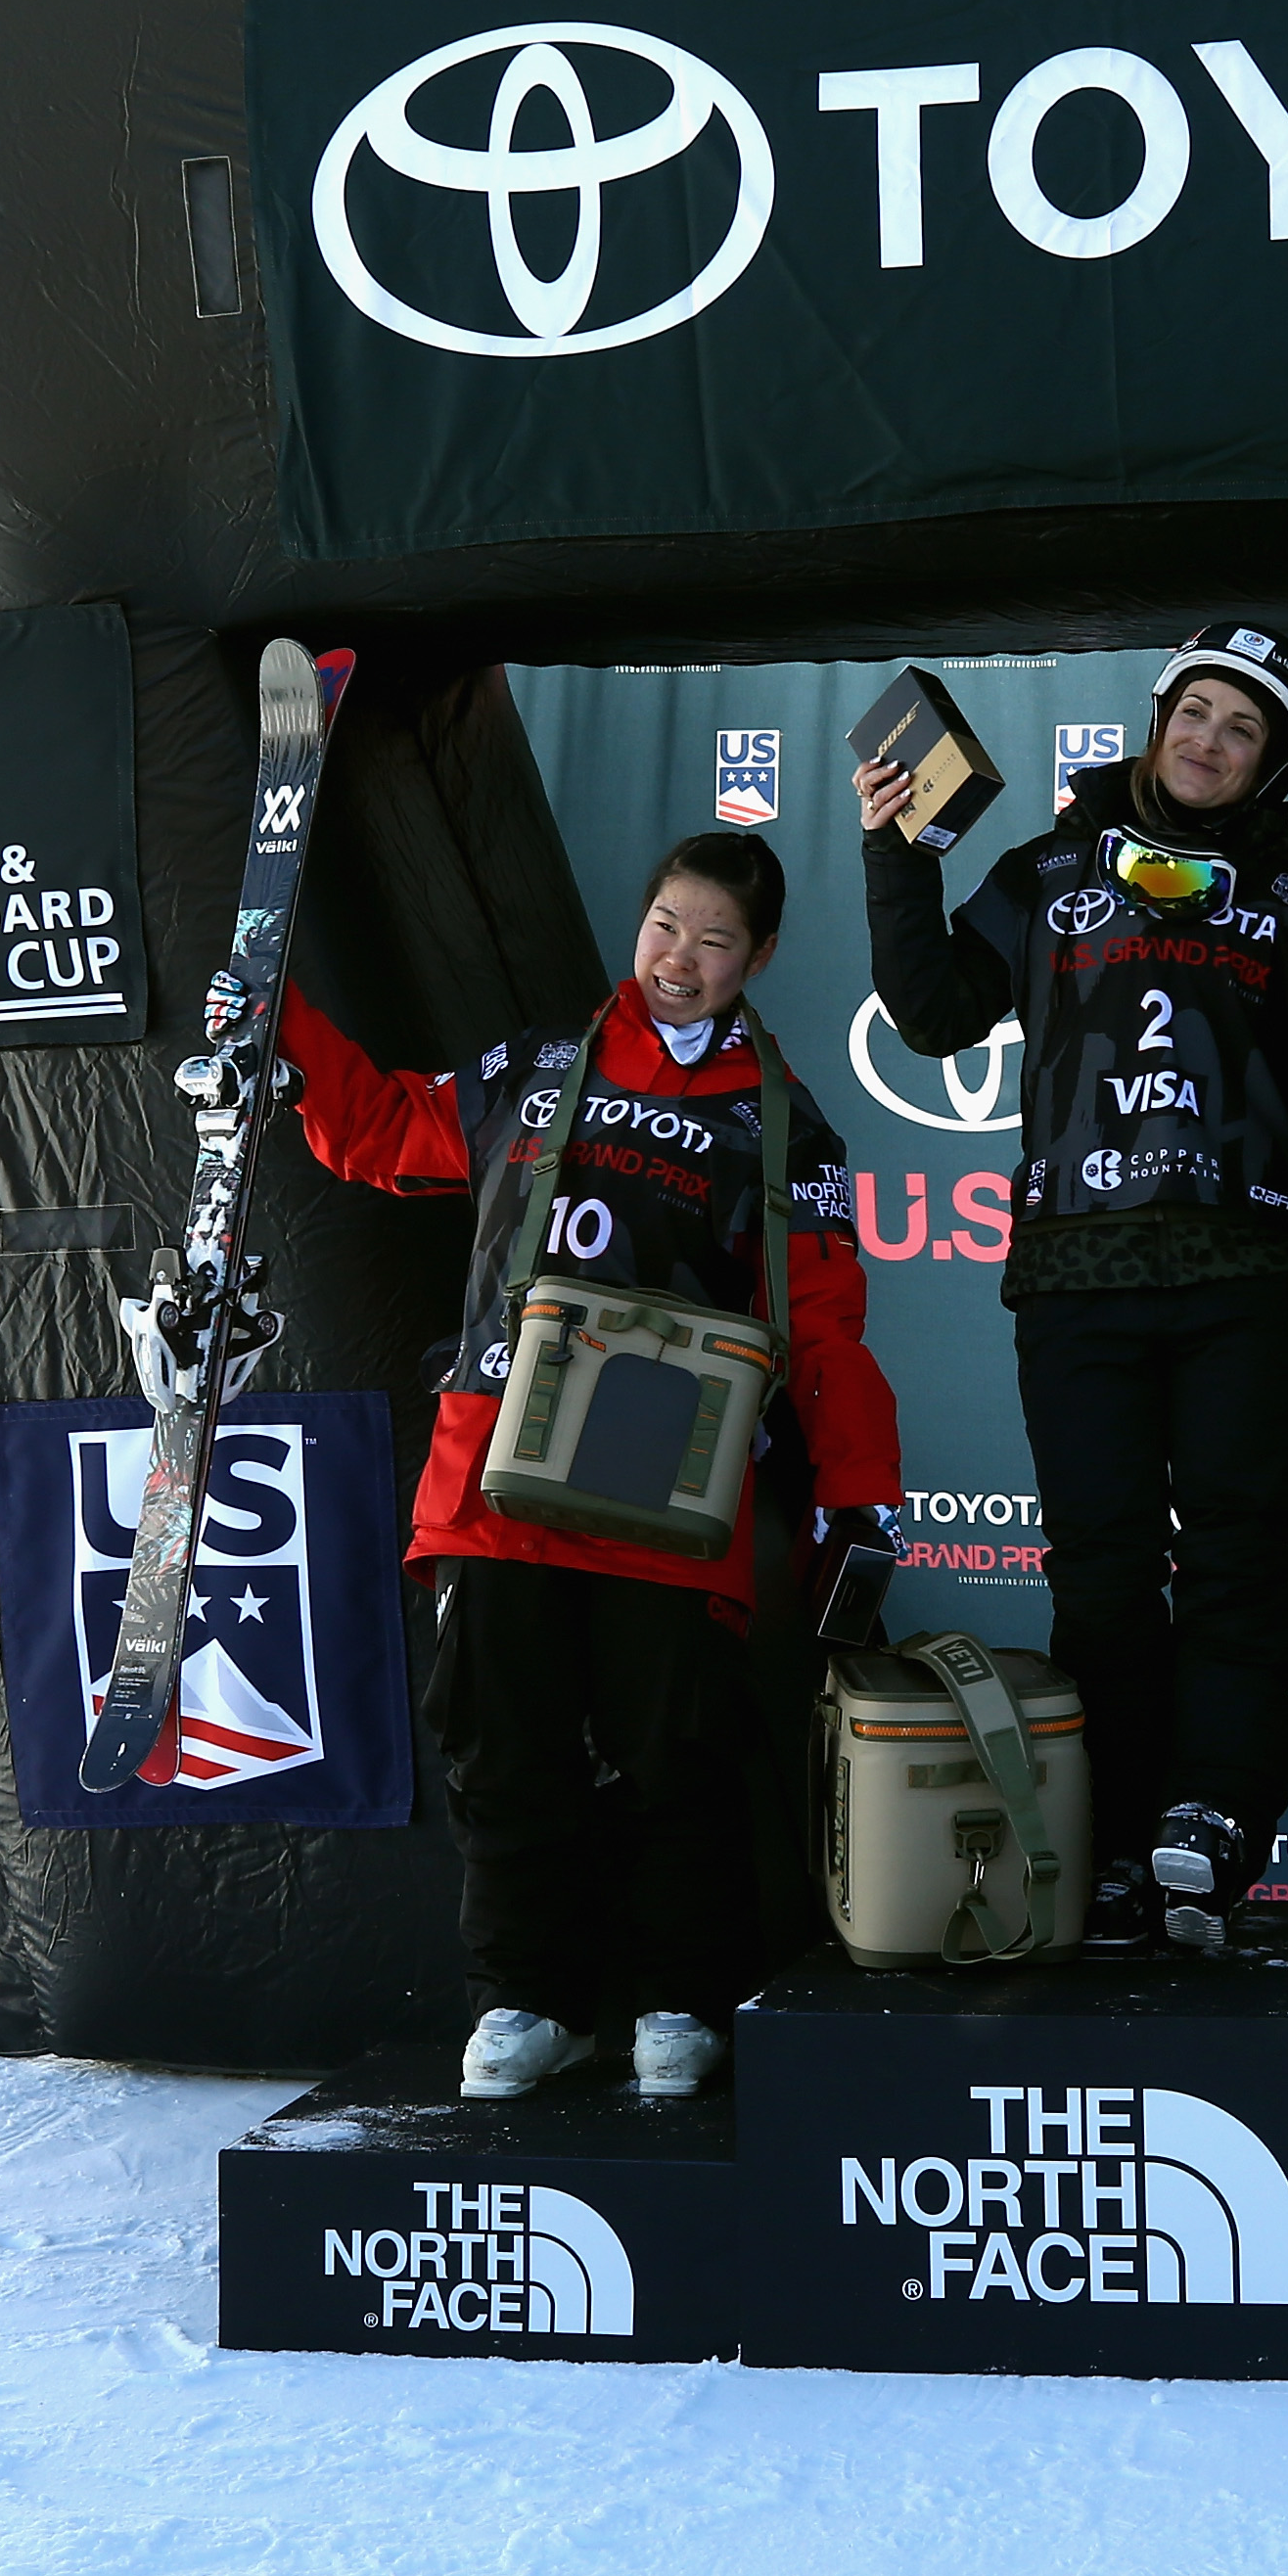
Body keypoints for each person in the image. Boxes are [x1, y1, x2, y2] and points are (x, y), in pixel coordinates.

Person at [282, 832, 900, 2100]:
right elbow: (377, 1131)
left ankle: (679, 1999)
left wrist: (857, 1493)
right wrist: (277, 1021)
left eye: (714, 938)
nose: (681, 958)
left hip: (667, 1486)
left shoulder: (787, 1130)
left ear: (761, 957)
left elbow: (828, 1327)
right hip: (496, 1478)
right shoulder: (536, 1068)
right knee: (502, 1748)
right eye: (666, 924)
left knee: (673, 1750)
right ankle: (527, 1999)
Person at [856, 626, 1288, 1953]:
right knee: (1104, 1574)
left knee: (1236, 1558)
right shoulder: (1050, 864)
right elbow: (935, 1009)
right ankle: (1119, 1840)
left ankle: (1215, 1827)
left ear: (1270, 761)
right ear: (1157, 717)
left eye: (1242, 728)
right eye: (1195, 712)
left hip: (1245, 1271)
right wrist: (898, 852)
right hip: (1077, 1273)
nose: (1209, 740)